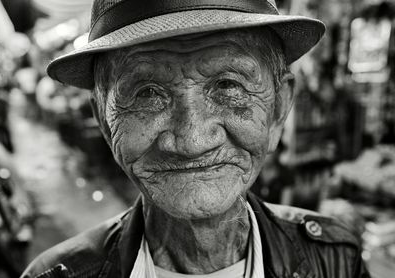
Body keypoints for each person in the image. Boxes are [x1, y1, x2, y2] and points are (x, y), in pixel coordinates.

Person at [22, 1, 370, 277]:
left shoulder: (338, 260)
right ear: (104, 118)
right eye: (147, 94)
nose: (191, 140)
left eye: (228, 86)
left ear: (278, 109)